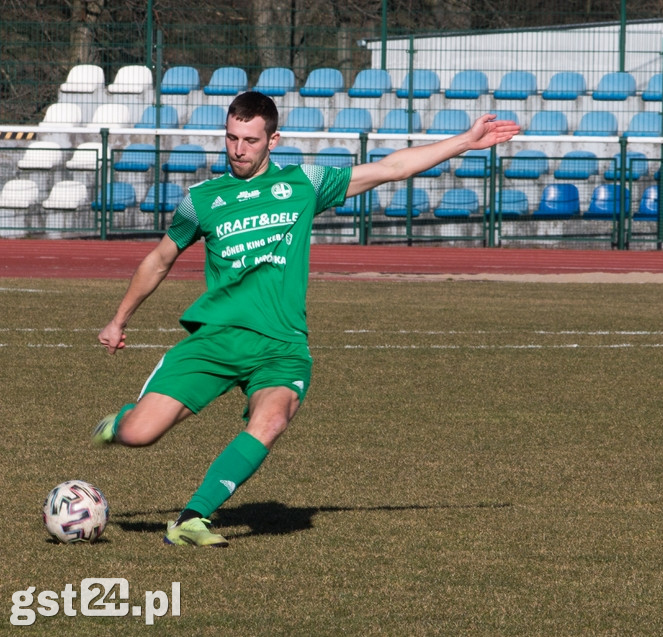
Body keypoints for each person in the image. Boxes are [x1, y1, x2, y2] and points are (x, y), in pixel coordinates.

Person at [93, 91, 520, 547]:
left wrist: (464, 142)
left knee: (272, 420)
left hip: (282, 346)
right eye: (232, 138)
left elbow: (390, 168)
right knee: (139, 435)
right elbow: (159, 260)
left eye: (251, 140)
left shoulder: (304, 183)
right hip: (217, 339)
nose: (239, 149)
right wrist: (118, 320)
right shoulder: (201, 200)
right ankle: (122, 421)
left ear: (273, 139)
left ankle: (192, 519)